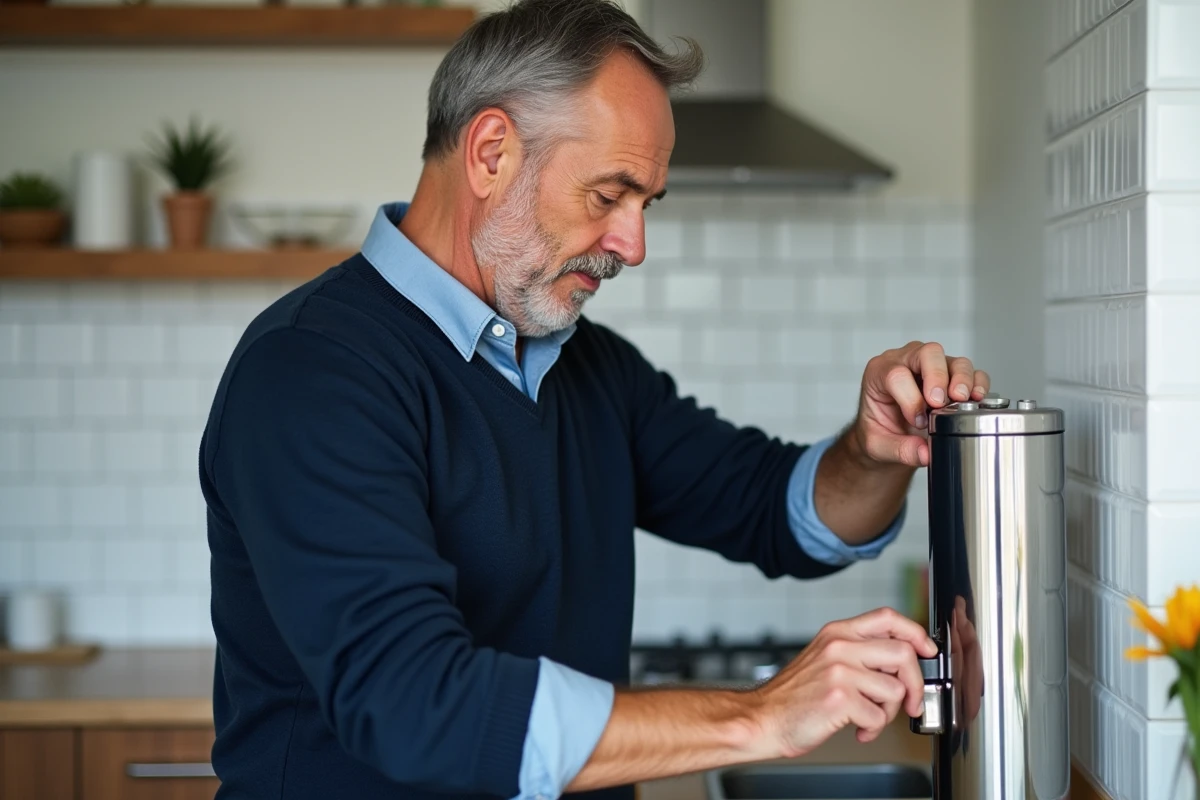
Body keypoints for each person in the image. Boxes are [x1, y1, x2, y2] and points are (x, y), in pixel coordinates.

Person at [198, 1, 991, 798]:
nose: (633, 246)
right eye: (609, 194)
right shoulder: (312, 370)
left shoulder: (588, 369)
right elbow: (416, 704)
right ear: (491, 153)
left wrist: (873, 447)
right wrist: (759, 716)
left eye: (647, 204)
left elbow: (775, 510)